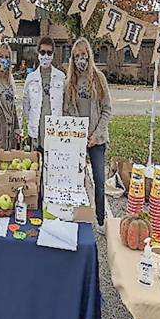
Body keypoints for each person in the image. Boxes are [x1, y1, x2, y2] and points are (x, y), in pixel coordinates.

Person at [64, 37, 112, 234]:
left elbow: (107, 109)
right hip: (78, 139)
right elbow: (68, 110)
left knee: (99, 179)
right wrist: (78, 135)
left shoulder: (98, 78)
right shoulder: (70, 82)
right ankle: (79, 215)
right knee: (76, 178)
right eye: (76, 56)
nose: (80, 59)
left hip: (97, 140)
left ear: (89, 55)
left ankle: (101, 219)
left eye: (83, 55)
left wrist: (96, 134)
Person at [22, 36, 65, 152]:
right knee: (37, 167)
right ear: (38, 53)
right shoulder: (31, 78)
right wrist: (31, 119)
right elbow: (25, 103)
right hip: (36, 132)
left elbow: (65, 103)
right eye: (43, 52)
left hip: (55, 132)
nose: (45, 56)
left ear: (53, 54)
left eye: (49, 53)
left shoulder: (61, 77)